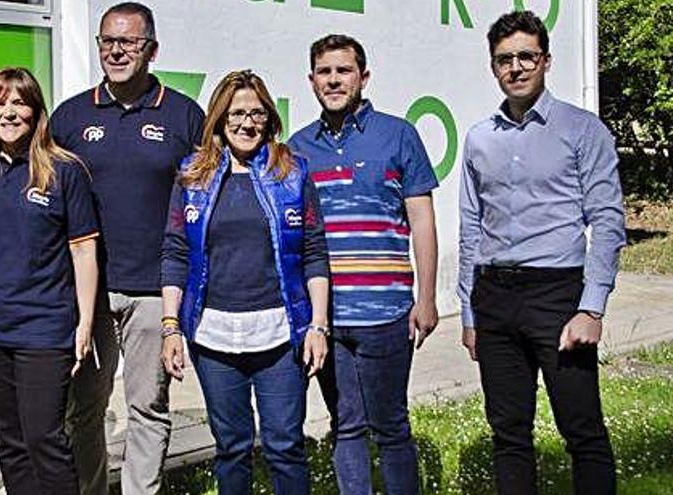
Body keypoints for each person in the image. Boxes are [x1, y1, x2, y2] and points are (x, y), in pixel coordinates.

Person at [458, 11, 625, 495]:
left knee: (582, 431)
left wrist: (591, 308)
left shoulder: (582, 129)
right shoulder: (479, 138)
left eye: (526, 56)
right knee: (509, 435)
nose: (516, 67)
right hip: (493, 297)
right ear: (494, 67)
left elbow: (608, 221)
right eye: (504, 59)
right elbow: (471, 226)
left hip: (557, 296)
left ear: (546, 61)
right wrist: (469, 311)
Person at [49, 2, 204, 493]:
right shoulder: (70, 117)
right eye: (107, 41)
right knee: (84, 408)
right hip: (85, 292)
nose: (116, 51)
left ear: (151, 50)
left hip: (154, 292)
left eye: (128, 42)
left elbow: (203, 201)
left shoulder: (183, 115)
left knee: (148, 408)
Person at [160, 69, 330, 495]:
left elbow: (313, 253)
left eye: (256, 113)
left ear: (269, 118)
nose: (246, 122)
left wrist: (318, 325)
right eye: (236, 113)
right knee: (231, 448)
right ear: (219, 118)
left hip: (279, 335)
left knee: (285, 446)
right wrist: (170, 327)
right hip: (213, 338)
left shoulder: (292, 173)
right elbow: (176, 252)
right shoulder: (191, 176)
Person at [288, 34, 440, 495]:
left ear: (363, 77)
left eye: (344, 70)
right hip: (326, 317)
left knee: (391, 426)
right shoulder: (297, 148)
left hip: (387, 311)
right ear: (311, 80)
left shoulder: (397, 135)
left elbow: (422, 219)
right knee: (346, 424)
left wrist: (427, 298)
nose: (334, 80)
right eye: (324, 72)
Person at [0, 67, 100, 495]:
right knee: (9, 443)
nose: (8, 112)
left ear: (35, 110)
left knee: (44, 438)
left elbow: (84, 251)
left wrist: (84, 323)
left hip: (43, 326)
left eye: (19, 102)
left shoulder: (64, 171)